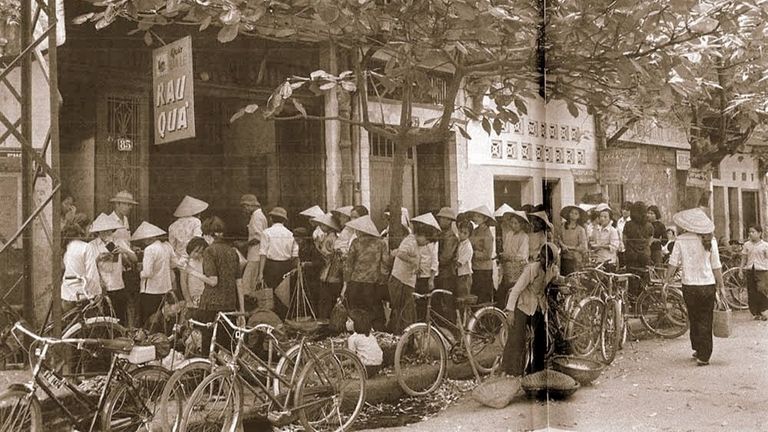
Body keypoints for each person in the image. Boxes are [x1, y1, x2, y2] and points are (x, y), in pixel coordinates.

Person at [665, 208, 723, 366]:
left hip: (689, 285)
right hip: (707, 285)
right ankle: (704, 355)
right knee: (706, 318)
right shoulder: (711, 240)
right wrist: (721, 285)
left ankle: (698, 347)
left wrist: (666, 280)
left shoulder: (681, 240)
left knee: (694, 317)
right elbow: (716, 265)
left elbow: (673, 262)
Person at [501, 243, 561, 377]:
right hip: (524, 306)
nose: (544, 261)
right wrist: (510, 311)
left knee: (540, 339)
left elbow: (555, 281)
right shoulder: (531, 269)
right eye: (543, 257)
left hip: (538, 306)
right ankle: (512, 372)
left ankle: (535, 372)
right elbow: (516, 290)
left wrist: (565, 282)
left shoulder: (552, 270)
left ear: (553, 260)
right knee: (517, 339)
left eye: (548, 259)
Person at [195, 217, 242, 355]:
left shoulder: (209, 251)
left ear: (209, 234)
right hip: (230, 305)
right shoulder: (233, 251)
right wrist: (242, 311)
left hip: (211, 305)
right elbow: (239, 282)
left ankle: (208, 375)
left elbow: (213, 281)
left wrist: (192, 272)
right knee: (226, 349)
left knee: (209, 347)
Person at [86, 213, 133, 325]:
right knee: (105, 321)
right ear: (98, 232)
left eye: (109, 231)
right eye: (103, 231)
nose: (106, 233)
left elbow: (134, 258)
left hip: (118, 285)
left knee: (120, 320)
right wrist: (98, 259)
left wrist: (123, 251)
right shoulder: (92, 245)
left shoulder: (118, 242)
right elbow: (89, 266)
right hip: (102, 288)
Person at [344, 215, 389, 330]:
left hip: (356, 281)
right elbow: (385, 264)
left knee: (356, 310)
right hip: (373, 282)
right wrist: (382, 280)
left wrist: (346, 282)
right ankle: (378, 333)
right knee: (374, 309)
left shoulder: (356, 243)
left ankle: (357, 333)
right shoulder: (381, 243)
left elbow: (349, 264)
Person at [388, 222, 431, 334]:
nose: (426, 243)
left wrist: (416, 267)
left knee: (408, 313)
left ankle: (406, 341)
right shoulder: (410, 241)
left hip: (407, 281)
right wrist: (412, 261)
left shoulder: (416, 244)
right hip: (400, 280)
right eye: (426, 240)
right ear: (421, 235)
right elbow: (401, 253)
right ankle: (401, 340)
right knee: (403, 312)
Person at [132, 222, 177, 328]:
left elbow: (148, 272)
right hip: (165, 288)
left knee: (149, 320)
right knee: (162, 318)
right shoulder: (167, 246)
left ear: (148, 239)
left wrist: (139, 273)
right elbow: (174, 263)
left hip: (151, 290)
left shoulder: (149, 249)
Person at [258, 207, 299, 317]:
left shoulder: (266, 233)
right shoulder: (290, 234)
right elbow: (295, 255)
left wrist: (260, 273)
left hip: (271, 266)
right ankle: (284, 318)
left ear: (271, 219)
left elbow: (263, 253)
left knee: (271, 295)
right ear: (284, 220)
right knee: (284, 295)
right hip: (286, 266)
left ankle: (272, 319)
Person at [108, 190, 139, 324]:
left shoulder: (125, 220)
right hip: (115, 264)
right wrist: (122, 255)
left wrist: (131, 249)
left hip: (127, 263)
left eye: (130, 205)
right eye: (127, 204)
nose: (130, 207)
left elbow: (126, 241)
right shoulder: (109, 221)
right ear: (118, 204)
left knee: (131, 298)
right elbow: (108, 243)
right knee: (120, 299)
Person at [61, 221, 100, 312]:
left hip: (67, 294)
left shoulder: (65, 247)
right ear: (81, 231)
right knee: (89, 324)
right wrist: (96, 293)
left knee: (69, 323)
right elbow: (92, 273)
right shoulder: (86, 247)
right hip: (83, 294)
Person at [311, 213, 342, 320]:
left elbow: (326, 254)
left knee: (325, 300)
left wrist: (317, 247)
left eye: (323, 225)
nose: (321, 227)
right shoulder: (334, 237)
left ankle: (325, 321)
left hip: (329, 272)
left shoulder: (329, 238)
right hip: (334, 273)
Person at [498, 209, 530, 310]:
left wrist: (510, 257)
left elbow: (522, 255)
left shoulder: (524, 236)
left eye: (516, 223)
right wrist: (504, 255)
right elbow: (505, 249)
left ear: (521, 224)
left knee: (515, 293)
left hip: (518, 269)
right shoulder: (508, 234)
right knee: (504, 291)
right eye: (512, 223)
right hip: (508, 269)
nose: (513, 225)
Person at [412, 213, 441, 321]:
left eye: (420, 236)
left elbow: (434, 261)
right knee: (420, 303)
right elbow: (418, 256)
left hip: (429, 276)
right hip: (420, 275)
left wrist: (431, 279)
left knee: (430, 303)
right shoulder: (419, 244)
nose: (417, 238)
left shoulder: (433, 244)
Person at [240, 194, 268, 301]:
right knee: (251, 283)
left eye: (244, 207)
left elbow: (258, 237)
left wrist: (244, 244)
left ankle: (249, 308)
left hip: (255, 255)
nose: (244, 210)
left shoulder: (256, 217)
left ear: (248, 205)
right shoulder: (259, 216)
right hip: (256, 255)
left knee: (247, 284)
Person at [467, 205, 496, 304]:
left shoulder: (487, 234)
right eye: (475, 216)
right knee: (475, 295)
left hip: (484, 269)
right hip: (474, 267)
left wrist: (473, 253)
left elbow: (487, 254)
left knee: (483, 297)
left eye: (479, 216)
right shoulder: (474, 231)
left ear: (485, 218)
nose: (476, 218)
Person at [623, 201, 653, 293]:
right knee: (644, 281)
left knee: (632, 282)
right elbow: (650, 242)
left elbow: (624, 240)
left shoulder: (628, 225)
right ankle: (643, 303)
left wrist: (631, 247)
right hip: (645, 256)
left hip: (631, 257)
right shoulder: (649, 225)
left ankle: (633, 304)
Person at [740, 225, 768, 320]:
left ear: (759, 233)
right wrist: (741, 269)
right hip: (750, 270)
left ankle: (764, 310)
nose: (750, 234)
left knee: (761, 290)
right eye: (749, 232)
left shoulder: (765, 245)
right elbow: (744, 257)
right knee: (752, 292)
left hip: (762, 270)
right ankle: (755, 313)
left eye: (753, 232)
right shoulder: (747, 245)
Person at [435, 207, 458, 318]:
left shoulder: (451, 237)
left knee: (447, 303)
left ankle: (452, 329)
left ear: (450, 221)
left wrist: (434, 262)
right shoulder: (440, 234)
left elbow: (445, 257)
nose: (441, 221)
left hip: (447, 274)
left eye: (444, 219)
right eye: (441, 218)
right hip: (440, 273)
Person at [346, 309, 383, 378]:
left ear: (356, 323)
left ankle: (358, 374)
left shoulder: (352, 338)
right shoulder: (370, 335)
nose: (346, 323)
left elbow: (351, 358)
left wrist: (340, 364)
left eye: (349, 321)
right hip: (378, 365)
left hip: (366, 367)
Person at [589, 204, 620, 272]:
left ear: (610, 218)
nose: (603, 219)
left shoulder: (612, 231)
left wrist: (601, 246)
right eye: (601, 216)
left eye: (605, 217)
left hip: (609, 261)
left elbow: (614, 246)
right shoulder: (597, 230)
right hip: (598, 260)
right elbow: (593, 241)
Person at [558, 205, 588, 275]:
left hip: (575, 259)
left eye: (576, 213)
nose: (573, 215)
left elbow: (583, 246)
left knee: (574, 280)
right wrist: (562, 245)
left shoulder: (581, 229)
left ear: (579, 216)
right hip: (564, 258)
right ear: (568, 214)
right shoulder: (562, 227)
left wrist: (570, 247)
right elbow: (558, 238)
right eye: (571, 212)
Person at [181, 237, 209, 310]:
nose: (197, 254)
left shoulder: (205, 261)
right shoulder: (185, 262)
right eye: (196, 251)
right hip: (192, 295)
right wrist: (188, 300)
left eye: (200, 252)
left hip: (204, 295)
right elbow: (183, 282)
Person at [455, 220, 474, 299]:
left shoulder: (468, 247)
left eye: (465, 233)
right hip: (460, 275)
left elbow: (459, 263)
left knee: (464, 298)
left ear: (469, 235)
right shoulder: (460, 243)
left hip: (465, 276)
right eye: (460, 231)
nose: (461, 234)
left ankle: (466, 312)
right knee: (459, 297)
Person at [616, 201, 632, 267]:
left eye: (627, 210)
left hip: (629, 248)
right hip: (620, 248)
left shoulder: (631, 222)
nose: (624, 211)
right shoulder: (619, 221)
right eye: (623, 209)